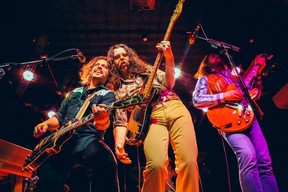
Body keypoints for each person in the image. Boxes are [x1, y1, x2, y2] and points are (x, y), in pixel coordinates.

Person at [106, 41, 199, 192]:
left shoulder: (148, 70)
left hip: (174, 107)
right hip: (151, 119)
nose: (122, 58)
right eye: (117, 57)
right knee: (156, 164)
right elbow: (121, 120)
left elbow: (169, 83)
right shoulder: (117, 90)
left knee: (188, 162)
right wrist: (119, 143)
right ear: (112, 63)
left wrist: (169, 57)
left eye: (124, 55)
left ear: (130, 57)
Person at [192, 53, 279, 192]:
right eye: (212, 56)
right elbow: (197, 100)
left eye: (218, 55)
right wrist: (225, 96)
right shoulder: (205, 78)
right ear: (206, 63)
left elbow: (249, 94)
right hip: (228, 123)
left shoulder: (234, 77)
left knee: (265, 162)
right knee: (247, 156)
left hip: (249, 117)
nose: (217, 56)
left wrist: (257, 71)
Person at [33, 56, 120, 192]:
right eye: (97, 65)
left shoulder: (108, 94)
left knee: (107, 161)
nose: (99, 67)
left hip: (88, 139)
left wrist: (101, 120)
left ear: (109, 75)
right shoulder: (74, 92)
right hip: (62, 142)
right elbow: (60, 116)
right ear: (90, 70)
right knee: (46, 175)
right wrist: (45, 124)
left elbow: (102, 125)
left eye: (104, 66)